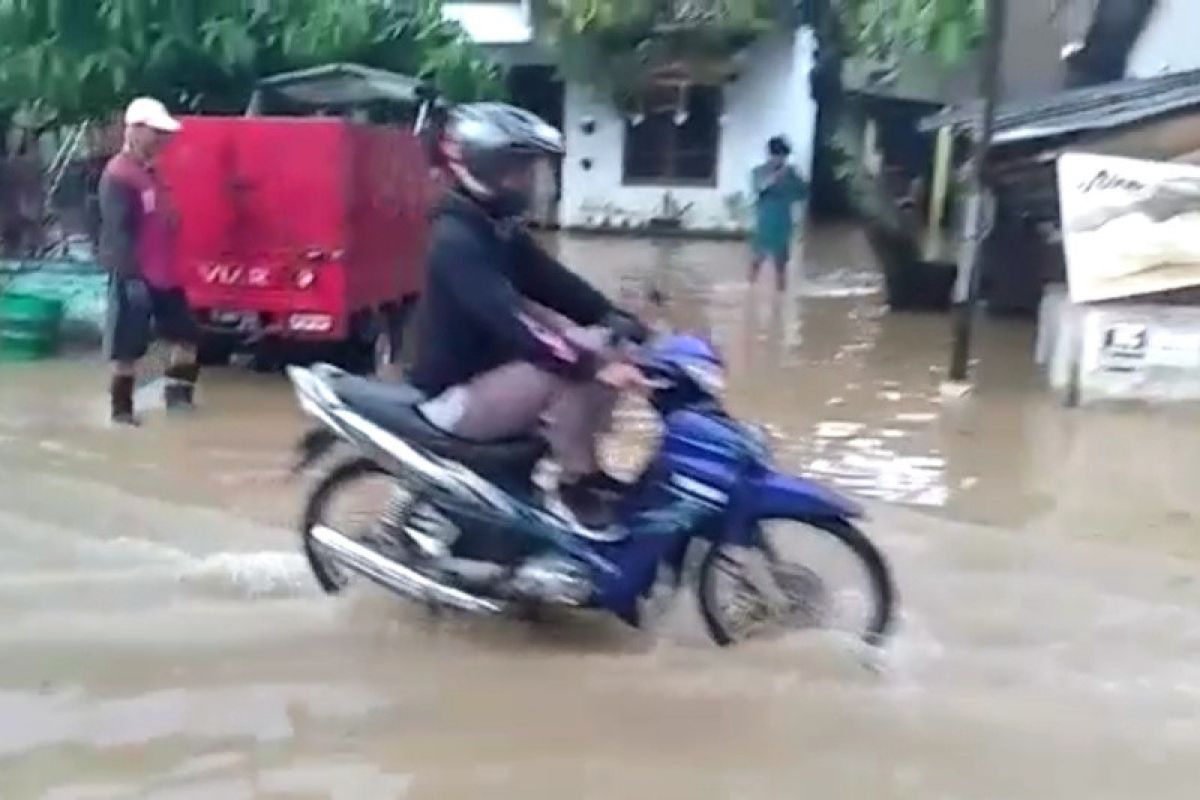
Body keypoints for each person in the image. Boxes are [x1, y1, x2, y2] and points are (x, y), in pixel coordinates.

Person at [408, 103, 649, 533]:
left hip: (494, 379)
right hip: (453, 398)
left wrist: (617, 320)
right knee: (572, 370)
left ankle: (570, 480)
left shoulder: (496, 227)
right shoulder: (457, 239)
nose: (528, 179)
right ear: (488, 165)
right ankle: (577, 483)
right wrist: (593, 364)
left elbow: (557, 284)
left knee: (608, 345)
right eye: (519, 168)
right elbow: (517, 326)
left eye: (530, 168)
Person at [99, 97, 200, 426]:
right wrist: (130, 278)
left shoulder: (150, 171)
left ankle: (179, 400)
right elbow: (117, 232)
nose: (163, 139)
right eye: (156, 132)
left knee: (188, 337)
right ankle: (122, 413)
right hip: (134, 274)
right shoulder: (118, 175)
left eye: (164, 133)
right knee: (126, 350)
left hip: (164, 275)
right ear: (135, 131)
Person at [750, 136, 809, 291]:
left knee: (781, 263)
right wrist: (774, 177)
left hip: (783, 220)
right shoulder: (759, 172)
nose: (780, 159)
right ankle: (750, 288)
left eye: (783, 156)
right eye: (777, 155)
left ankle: (780, 296)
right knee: (757, 258)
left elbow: (803, 193)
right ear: (770, 155)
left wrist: (796, 182)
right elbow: (758, 188)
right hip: (765, 219)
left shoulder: (792, 174)